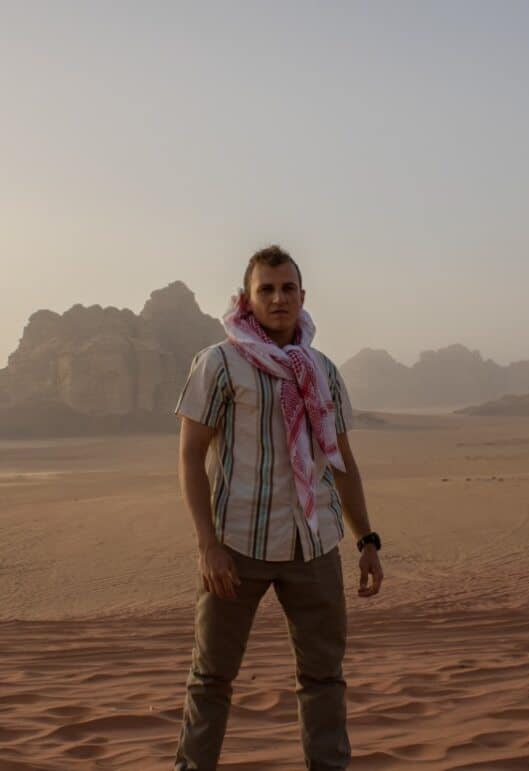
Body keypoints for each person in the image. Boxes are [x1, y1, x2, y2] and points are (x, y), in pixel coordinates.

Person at [173, 245, 384, 770]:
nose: (278, 298)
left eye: (287, 288)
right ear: (247, 298)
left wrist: (366, 540)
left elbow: (341, 461)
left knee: (324, 679)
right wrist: (207, 546)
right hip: (237, 547)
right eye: (266, 289)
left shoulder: (321, 369)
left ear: (303, 296)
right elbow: (190, 455)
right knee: (212, 678)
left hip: (313, 545)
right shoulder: (219, 363)